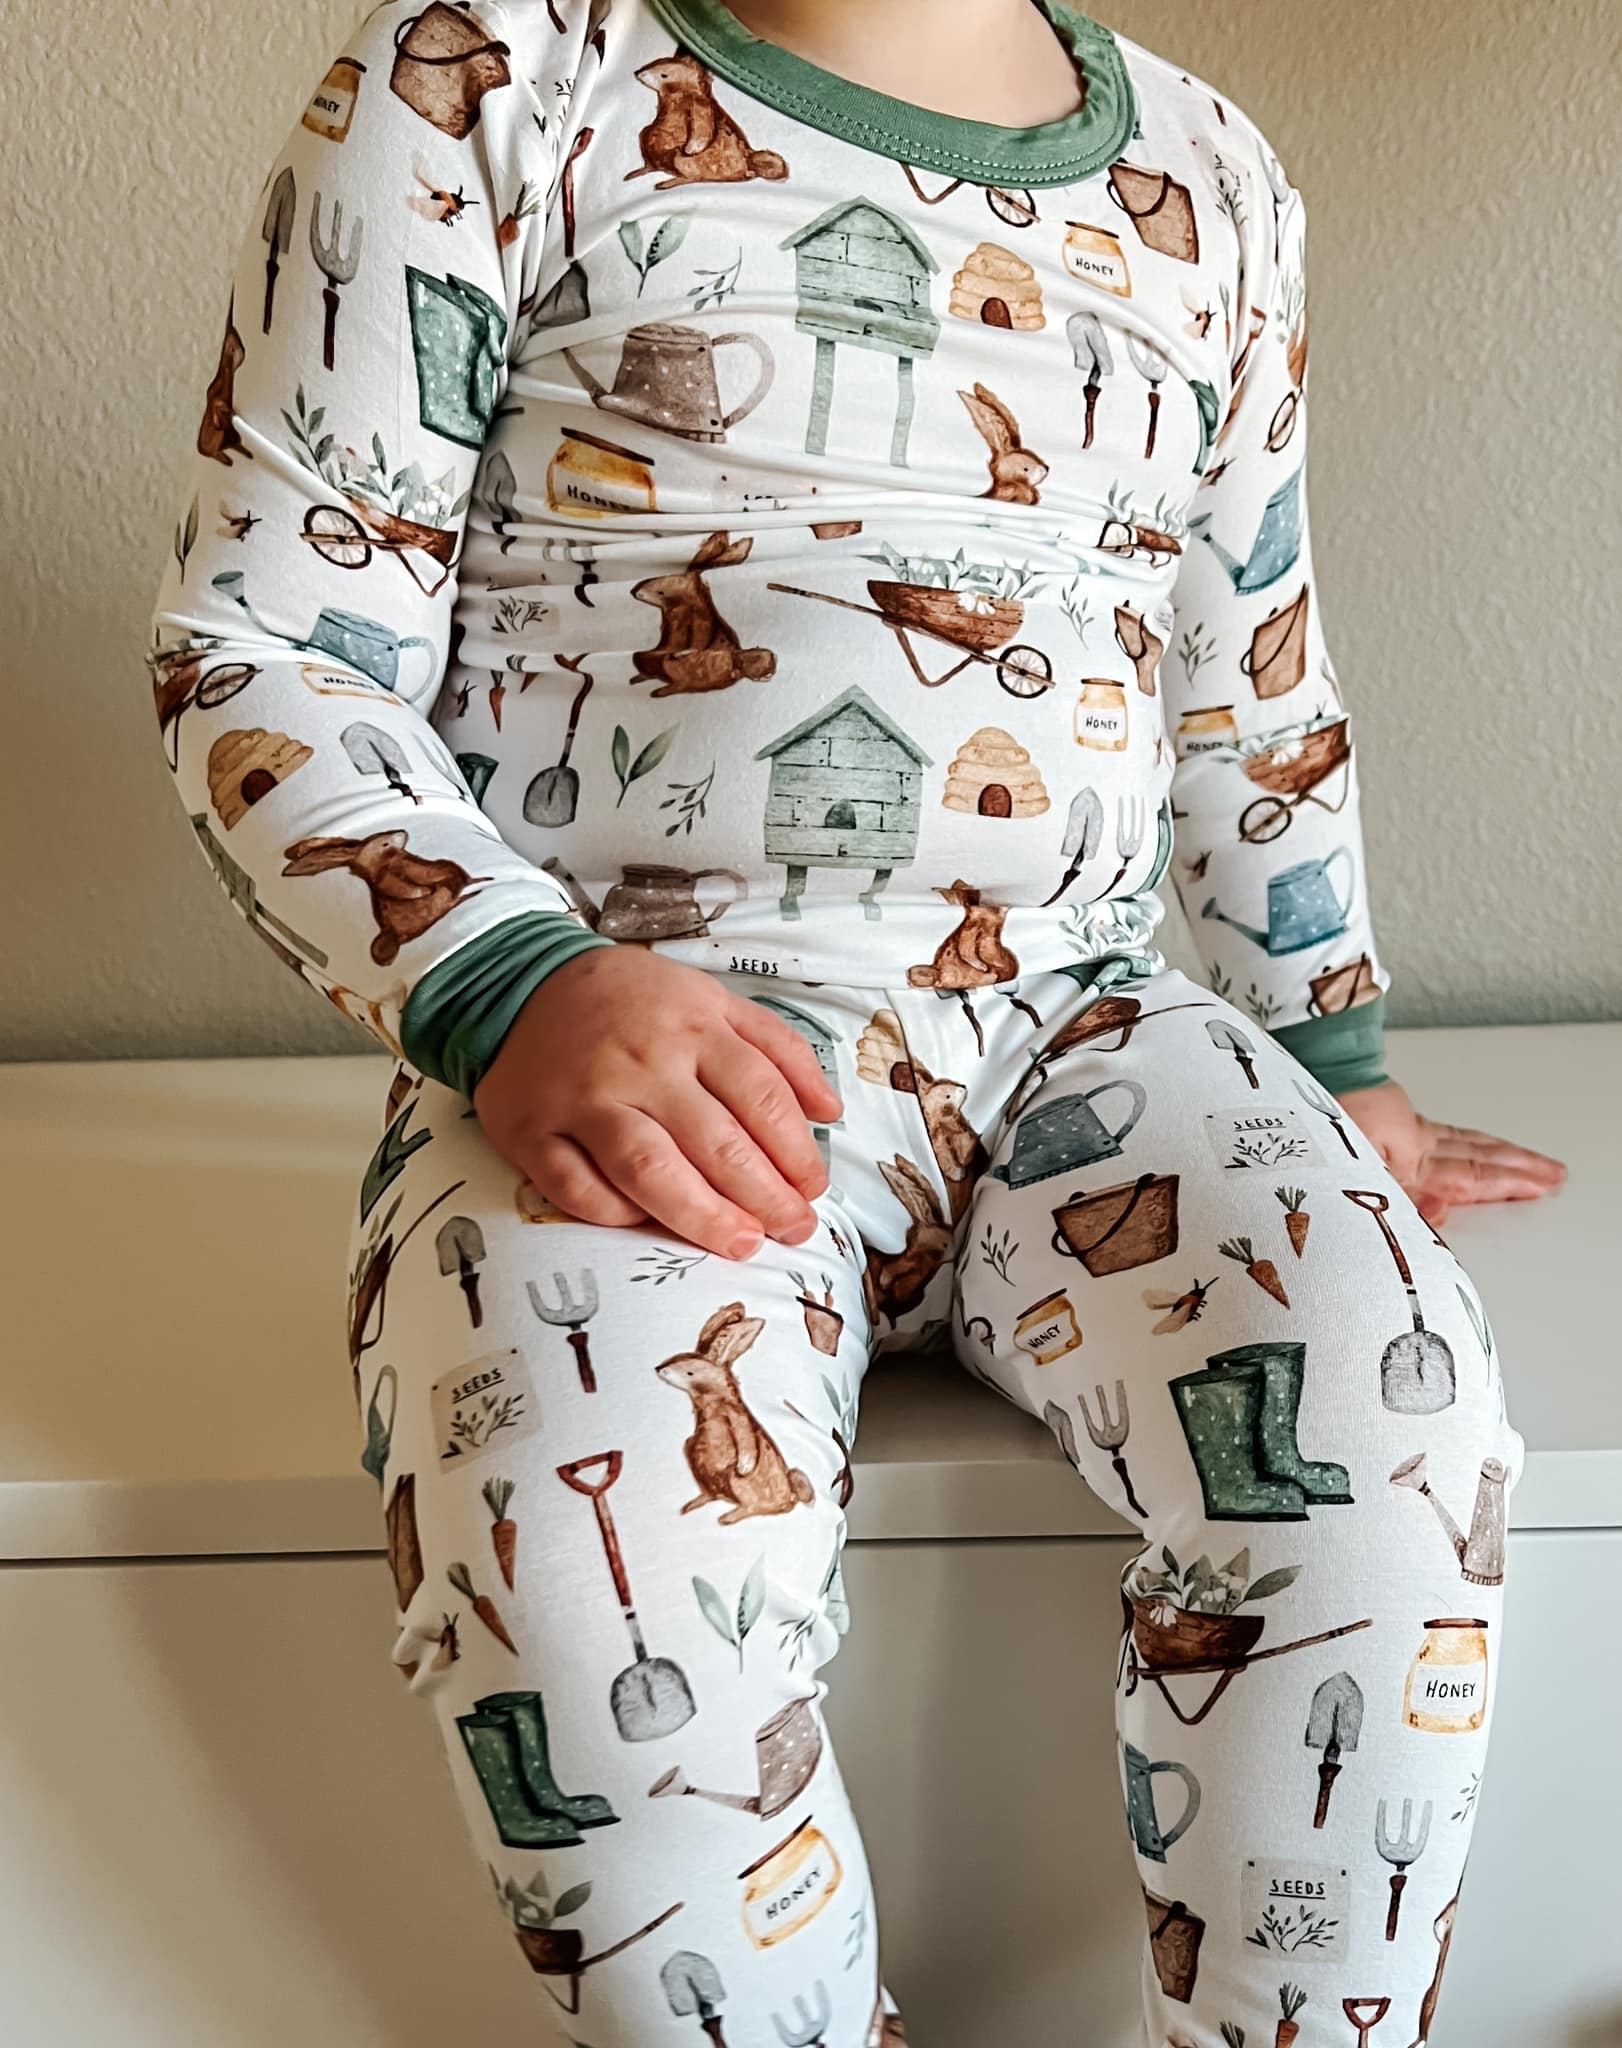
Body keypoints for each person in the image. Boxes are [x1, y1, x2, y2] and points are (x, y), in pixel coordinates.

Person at [145, 1, 1566, 2039]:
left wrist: (1327, 1051)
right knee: (599, 1596)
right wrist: (507, 984)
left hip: (1076, 1019)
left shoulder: (1212, 179)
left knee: (1392, 1414)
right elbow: (268, 643)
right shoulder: (495, 72)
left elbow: (1249, 675)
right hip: (634, 1030)